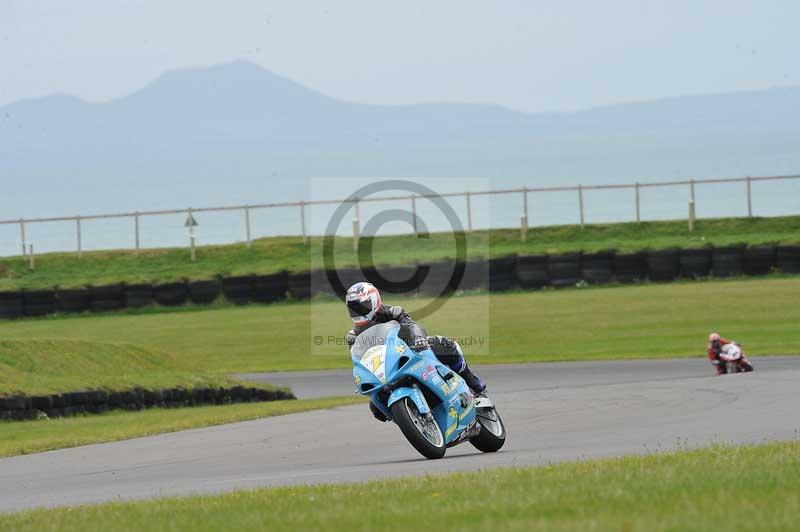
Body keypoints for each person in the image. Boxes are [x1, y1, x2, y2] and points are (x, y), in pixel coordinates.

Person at [345, 282, 486, 421]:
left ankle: (473, 383)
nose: (359, 311)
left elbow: (411, 326)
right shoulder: (353, 336)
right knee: (375, 407)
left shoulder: (393, 312)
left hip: (412, 351)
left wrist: (418, 339)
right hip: (386, 369)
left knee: (446, 345)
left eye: (362, 306)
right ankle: (414, 417)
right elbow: (360, 360)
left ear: (374, 300)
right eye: (354, 309)